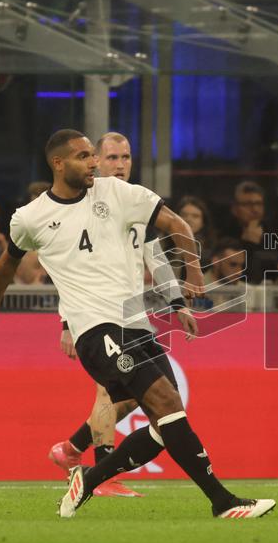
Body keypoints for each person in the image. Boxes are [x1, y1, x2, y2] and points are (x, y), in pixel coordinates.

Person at [0, 129, 274, 519]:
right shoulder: (30, 217)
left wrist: (192, 274)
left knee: (166, 422)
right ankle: (223, 503)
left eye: (95, 155)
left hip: (136, 325)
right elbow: (6, 265)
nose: (94, 163)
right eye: (84, 156)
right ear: (58, 163)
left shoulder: (118, 193)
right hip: (96, 330)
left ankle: (88, 479)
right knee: (165, 403)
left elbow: (176, 225)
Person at [50, 132, 193, 498]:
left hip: (131, 317)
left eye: (126, 157)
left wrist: (178, 302)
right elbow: (68, 268)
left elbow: (156, 259)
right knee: (108, 393)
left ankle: (71, 449)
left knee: (130, 398)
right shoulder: (83, 203)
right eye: (112, 158)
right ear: (96, 160)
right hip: (95, 319)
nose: (120, 165)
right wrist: (66, 323)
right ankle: (102, 475)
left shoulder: (134, 202)